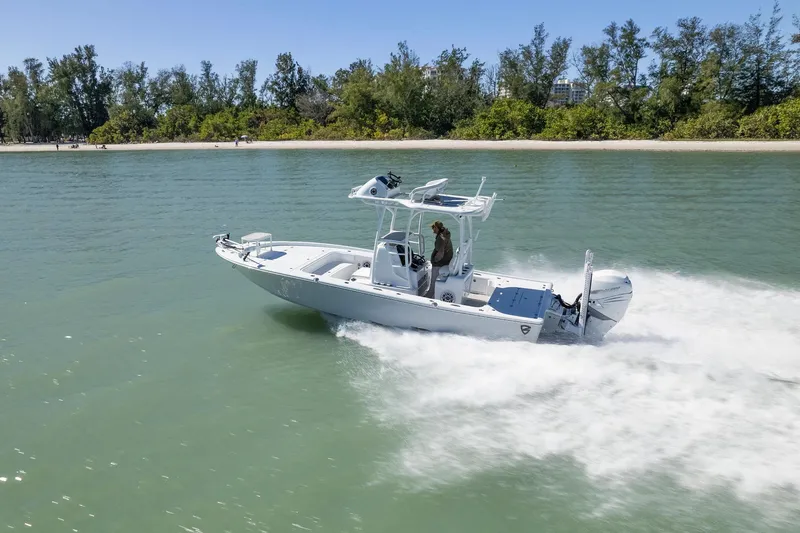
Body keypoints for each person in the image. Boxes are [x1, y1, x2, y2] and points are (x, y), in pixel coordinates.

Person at [425, 220, 453, 298]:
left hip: (440, 263)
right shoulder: (445, 235)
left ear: (437, 228)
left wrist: (434, 261)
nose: (432, 229)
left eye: (433, 227)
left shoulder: (440, 238)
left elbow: (440, 253)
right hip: (446, 260)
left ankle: (431, 294)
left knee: (434, 280)